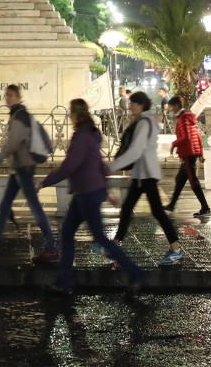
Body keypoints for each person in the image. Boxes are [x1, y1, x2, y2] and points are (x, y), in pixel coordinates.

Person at [42, 98, 145, 296]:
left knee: (99, 238)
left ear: (74, 114)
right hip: (86, 192)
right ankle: (63, 281)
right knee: (67, 234)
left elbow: (70, 166)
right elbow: (98, 165)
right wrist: (107, 192)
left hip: (87, 194)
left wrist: (44, 182)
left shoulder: (81, 136)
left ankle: (135, 273)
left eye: (70, 114)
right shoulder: (91, 134)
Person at [0, 84, 57, 262]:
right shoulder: (20, 115)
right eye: (6, 95)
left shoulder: (19, 118)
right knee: (5, 207)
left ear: (19, 98)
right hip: (18, 169)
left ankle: (52, 246)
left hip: (23, 169)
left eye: (11, 96)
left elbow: (11, 145)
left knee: (36, 209)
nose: (7, 98)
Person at [107, 92, 183, 265]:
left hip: (146, 175)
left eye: (133, 103)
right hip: (142, 174)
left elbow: (135, 150)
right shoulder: (146, 121)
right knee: (127, 209)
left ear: (141, 105)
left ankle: (176, 249)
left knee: (156, 212)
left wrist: (112, 166)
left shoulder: (143, 123)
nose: (130, 106)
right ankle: (115, 245)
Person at [163, 96, 211, 219]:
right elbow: (197, 136)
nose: (171, 109)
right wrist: (200, 153)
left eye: (172, 107)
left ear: (177, 106)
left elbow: (187, 137)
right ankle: (171, 205)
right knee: (180, 180)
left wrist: (174, 144)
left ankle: (205, 208)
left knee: (193, 181)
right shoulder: (188, 117)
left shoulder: (183, 119)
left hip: (188, 154)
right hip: (190, 153)